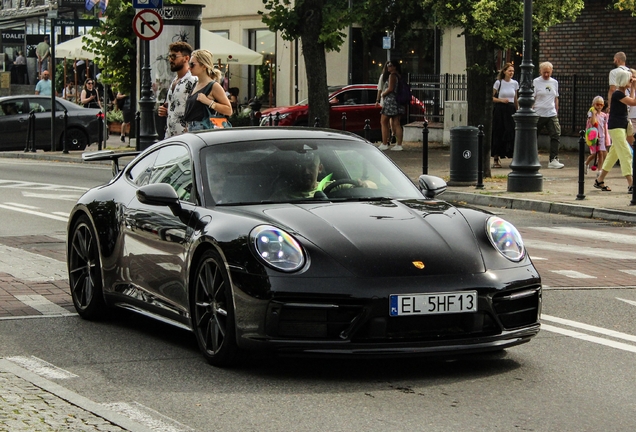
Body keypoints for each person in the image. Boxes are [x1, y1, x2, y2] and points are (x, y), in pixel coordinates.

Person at [594, 69, 635, 193]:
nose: (631, 80)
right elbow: (634, 102)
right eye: (629, 78)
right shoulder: (617, 94)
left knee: (614, 154)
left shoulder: (622, 93)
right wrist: (634, 86)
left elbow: (631, 100)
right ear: (624, 80)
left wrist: (632, 87)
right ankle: (631, 183)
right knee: (626, 153)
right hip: (616, 127)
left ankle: (599, 180)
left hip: (622, 125)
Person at [270, 153, 376, 200]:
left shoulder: (334, 187)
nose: (306, 172)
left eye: (311, 167)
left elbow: (374, 187)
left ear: (320, 168)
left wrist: (364, 184)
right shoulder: (282, 195)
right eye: (302, 167)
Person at [182, 49, 233, 132]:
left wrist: (209, 102)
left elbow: (229, 110)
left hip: (203, 128)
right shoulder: (195, 84)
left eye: (192, 64)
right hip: (191, 129)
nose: (189, 67)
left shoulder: (213, 86)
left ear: (204, 66)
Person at [158, 41, 198, 137]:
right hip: (170, 136)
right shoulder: (174, 81)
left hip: (186, 137)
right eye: (169, 56)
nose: (170, 60)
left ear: (186, 58)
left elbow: (197, 108)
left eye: (174, 57)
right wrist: (166, 111)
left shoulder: (193, 80)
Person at [533, 62, 563, 169]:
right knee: (534, 135)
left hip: (551, 113)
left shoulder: (554, 82)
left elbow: (556, 97)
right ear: (540, 71)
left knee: (556, 134)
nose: (546, 74)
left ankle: (553, 159)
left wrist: (556, 110)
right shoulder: (536, 82)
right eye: (544, 72)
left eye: (548, 72)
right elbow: (533, 97)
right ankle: (533, 157)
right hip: (538, 112)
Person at [491, 62, 519, 168]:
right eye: (509, 71)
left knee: (511, 131)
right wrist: (501, 100)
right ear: (504, 71)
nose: (511, 73)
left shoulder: (515, 83)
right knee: (498, 131)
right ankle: (496, 159)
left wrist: (518, 110)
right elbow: (491, 97)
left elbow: (515, 98)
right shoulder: (499, 83)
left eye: (512, 71)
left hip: (510, 109)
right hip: (500, 109)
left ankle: (512, 156)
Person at [378, 60, 404, 151]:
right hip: (396, 101)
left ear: (394, 67)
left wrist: (383, 94)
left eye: (390, 65)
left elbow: (390, 88)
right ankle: (399, 144)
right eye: (388, 65)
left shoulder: (392, 76)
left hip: (390, 101)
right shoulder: (398, 76)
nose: (388, 67)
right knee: (396, 122)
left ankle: (385, 143)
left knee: (384, 121)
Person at [584, 96, 610, 174]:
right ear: (593, 104)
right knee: (595, 153)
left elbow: (605, 127)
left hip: (601, 136)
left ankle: (599, 170)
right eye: (597, 104)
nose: (599, 107)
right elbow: (592, 122)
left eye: (601, 105)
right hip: (593, 136)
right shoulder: (591, 113)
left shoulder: (603, 115)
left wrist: (606, 139)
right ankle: (586, 163)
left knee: (601, 153)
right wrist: (594, 114)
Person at [375, 63, 393, 150]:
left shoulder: (384, 76)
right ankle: (389, 139)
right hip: (394, 102)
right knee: (391, 122)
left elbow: (380, 89)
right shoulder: (395, 76)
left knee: (383, 122)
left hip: (386, 102)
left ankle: (385, 142)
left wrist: (377, 100)